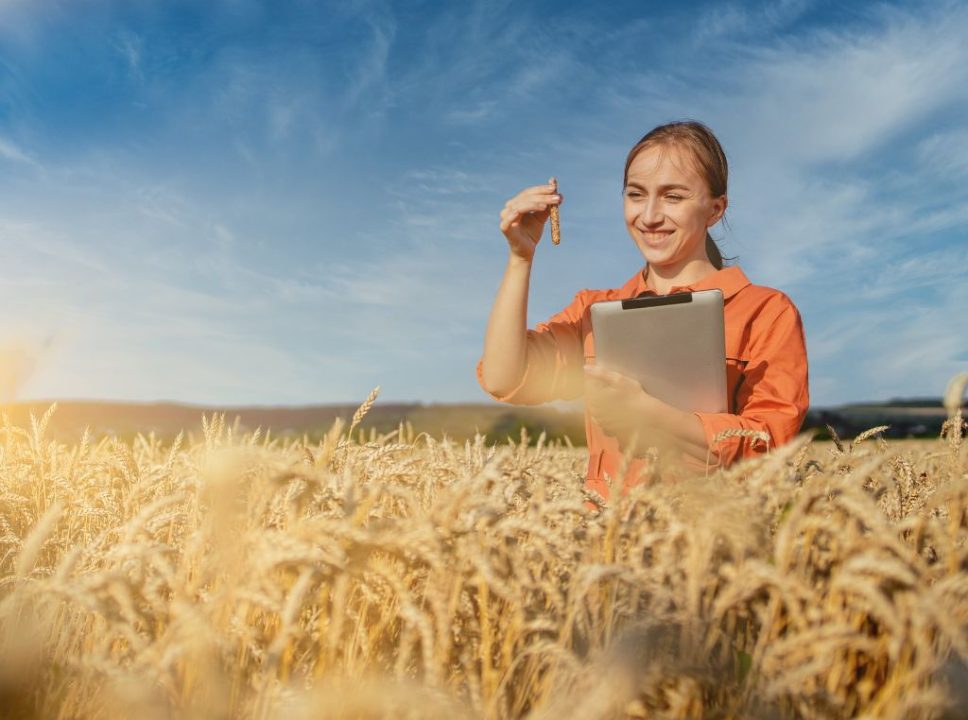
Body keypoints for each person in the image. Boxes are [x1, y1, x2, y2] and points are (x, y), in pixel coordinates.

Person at [477, 120, 809, 500]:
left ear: (715, 208)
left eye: (673, 197)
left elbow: (769, 444)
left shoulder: (766, 312)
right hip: (609, 540)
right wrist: (521, 257)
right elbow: (503, 378)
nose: (649, 216)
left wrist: (649, 413)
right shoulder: (593, 311)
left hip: (717, 539)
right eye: (636, 195)